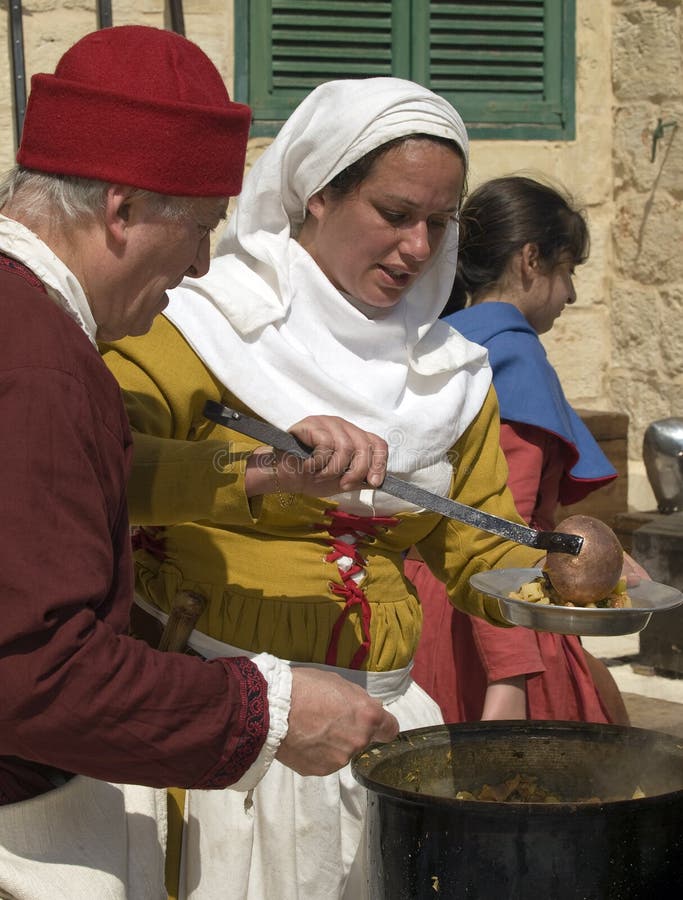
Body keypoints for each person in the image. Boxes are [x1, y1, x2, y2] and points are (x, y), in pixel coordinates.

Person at [101, 81, 624, 900]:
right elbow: (102, 471)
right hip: (227, 727)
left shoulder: (445, 375)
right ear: (318, 192)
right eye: (393, 212)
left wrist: (566, 583)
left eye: (439, 223)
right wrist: (260, 472)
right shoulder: (196, 326)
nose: (418, 246)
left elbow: (477, 547)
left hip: (384, 728)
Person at [0, 29, 399, 900]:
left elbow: (64, 487)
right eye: (200, 227)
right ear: (121, 212)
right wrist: (270, 709)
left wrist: (257, 473)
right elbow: (32, 669)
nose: (201, 264)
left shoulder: (34, 333)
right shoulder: (35, 360)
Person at [407, 175, 631, 724]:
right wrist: (509, 678)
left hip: (420, 609)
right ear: (531, 260)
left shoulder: (440, 346)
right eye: (568, 270)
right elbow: (496, 533)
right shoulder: (514, 359)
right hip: (494, 622)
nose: (572, 294)